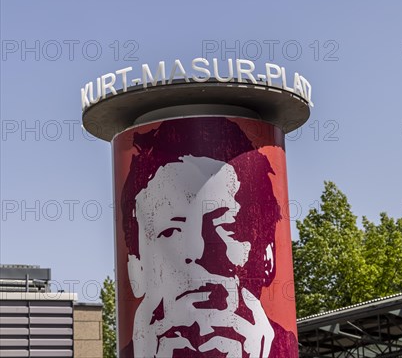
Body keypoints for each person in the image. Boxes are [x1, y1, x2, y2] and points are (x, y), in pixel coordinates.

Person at [119, 118, 297, 358]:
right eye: (170, 231)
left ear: (268, 254)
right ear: (135, 267)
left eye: (226, 226)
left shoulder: (285, 349)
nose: (196, 251)